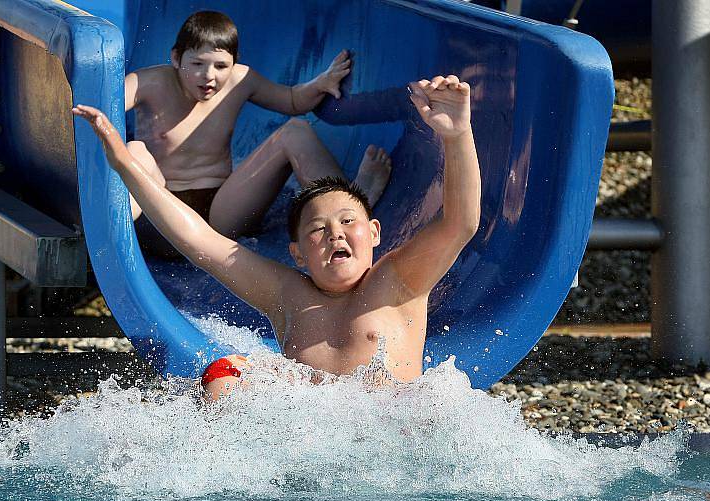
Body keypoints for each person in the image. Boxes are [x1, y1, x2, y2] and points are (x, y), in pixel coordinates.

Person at [73, 73, 481, 401]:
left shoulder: (400, 281)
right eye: (318, 229)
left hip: (390, 441)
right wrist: (125, 166)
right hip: (307, 445)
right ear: (299, 254)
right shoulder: (286, 294)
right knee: (226, 372)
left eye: (347, 222)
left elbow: (460, 223)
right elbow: (201, 243)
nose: (334, 233)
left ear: (374, 233)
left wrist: (457, 134)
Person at [126, 11, 392, 256]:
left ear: (234, 63)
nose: (208, 76)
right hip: (161, 211)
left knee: (295, 131)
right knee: (134, 150)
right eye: (197, 63)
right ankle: (116, 227)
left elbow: (289, 100)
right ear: (176, 58)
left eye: (220, 66)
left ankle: (351, 202)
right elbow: (99, 108)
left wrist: (320, 84)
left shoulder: (240, 80)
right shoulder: (147, 83)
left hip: (221, 213)